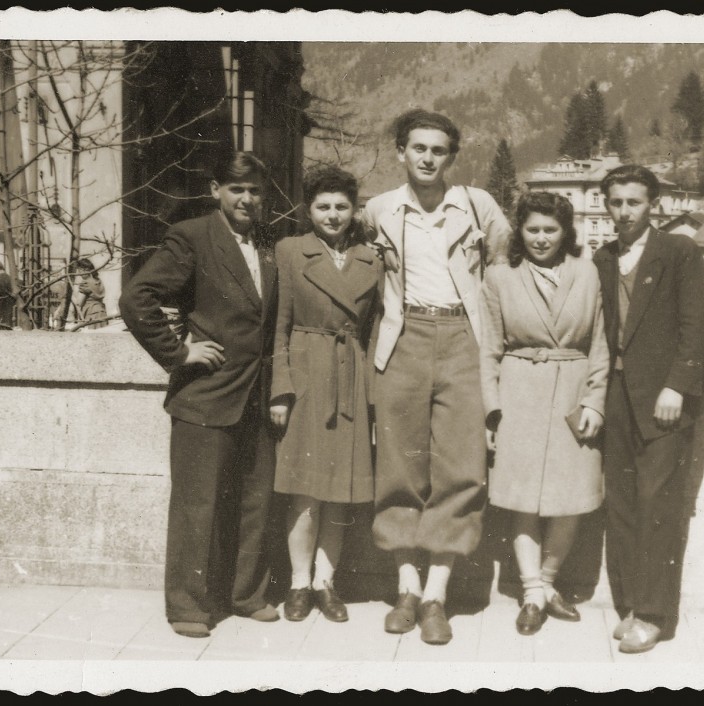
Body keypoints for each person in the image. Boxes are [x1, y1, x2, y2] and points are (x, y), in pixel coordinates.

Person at [364, 109, 511, 645]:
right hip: (402, 339)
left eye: (439, 150)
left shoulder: (477, 206)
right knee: (399, 461)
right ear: (400, 151)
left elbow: (501, 266)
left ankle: (436, 596)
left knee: (461, 464)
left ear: (452, 156)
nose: (428, 158)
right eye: (418, 148)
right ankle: (406, 585)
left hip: (462, 340)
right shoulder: (379, 210)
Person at [119, 152, 280, 638]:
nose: (246, 199)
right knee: (197, 505)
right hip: (205, 396)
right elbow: (135, 297)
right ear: (216, 191)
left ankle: (246, 595)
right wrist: (177, 352)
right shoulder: (192, 236)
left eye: (254, 190)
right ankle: (187, 607)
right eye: (236, 189)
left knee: (255, 502)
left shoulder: (270, 241)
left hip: (258, 396)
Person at [592, 165, 704, 654]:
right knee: (620, 503)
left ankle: (653, 613)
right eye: (616, 202)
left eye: (634, 203)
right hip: (616, 397)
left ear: (653, 206)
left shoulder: (678, 252)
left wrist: (677, 387)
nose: (624, 212)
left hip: (665, 399)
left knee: (659, 505)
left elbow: (698, 325)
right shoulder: (603, 258)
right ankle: (628, 605)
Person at [479, 192, 609, 636]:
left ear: (565, 233)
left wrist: (594, 400)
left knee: (570, 500)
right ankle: (532, 592)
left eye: (550, 230)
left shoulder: (587, 273)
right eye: (532, 229)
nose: (540, 238)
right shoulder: (499, 276)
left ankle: (549, 583)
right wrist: (492, 411)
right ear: (520, 231)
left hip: (573, 390)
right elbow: (489, 349)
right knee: (523, 499)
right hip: (520, 394)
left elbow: (600, 343)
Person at [269, 166, 383, 624]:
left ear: (354, 210)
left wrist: (372, 395)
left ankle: (325, 582)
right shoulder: (291, 251)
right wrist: (281, 388)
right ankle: (298, 583)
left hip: (350, 375)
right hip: (307, 372)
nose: (333, 215)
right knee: (305, 491)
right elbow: (278, 325)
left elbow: (373, 330)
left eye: (341, 206)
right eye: (323, 206)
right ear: (308, 209)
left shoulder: (370, 258)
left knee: (341, 491)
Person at [70, 257, 109, 330]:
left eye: (80, 271)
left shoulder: (86, 283)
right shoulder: (98, 281)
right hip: (102, 313)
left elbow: (79, 303)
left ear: (85, 270)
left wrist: (70, 296)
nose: (79, 274)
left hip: (91, 314)